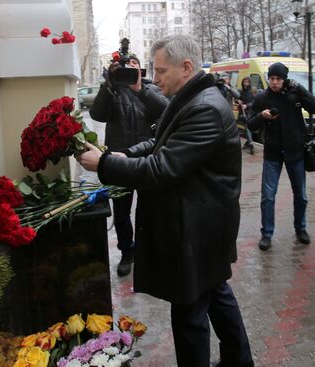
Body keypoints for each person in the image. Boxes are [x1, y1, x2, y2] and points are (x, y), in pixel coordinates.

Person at [76, 34, 253, 367]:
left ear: (185, 67)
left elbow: (162, 168)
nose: (154, 79)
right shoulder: (192, 98)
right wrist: (123, 153)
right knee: (216, 295)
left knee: (189, 315)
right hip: (201, 222)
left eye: (160, 71)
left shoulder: (204, 108)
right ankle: (239, 360)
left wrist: (105, 165)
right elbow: (159, 142)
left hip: (197, 229)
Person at [90, 41, 169, 277]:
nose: (130, 68)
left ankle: (150, 251)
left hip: (146, 159)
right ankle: (127, 252)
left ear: (141, 69)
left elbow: (165, 111)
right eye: (125, 66)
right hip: (118, 161)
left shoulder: (150, 89)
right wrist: (109, 84)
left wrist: (138, 88)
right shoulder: (112, 91)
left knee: (150, 209)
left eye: (134, 64)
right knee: (122, 212)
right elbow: (96, 114)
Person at [247, 62, 315, 251]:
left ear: (284, 79)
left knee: (302, 196)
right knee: (268, 197)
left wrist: (300, 88)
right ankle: (267, 234)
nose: (274, 82)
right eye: (271, 78)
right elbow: (250, 124)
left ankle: (301, 228)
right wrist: (262, 116)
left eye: (278, 79)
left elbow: (314, 107)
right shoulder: (263, 97)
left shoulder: (294, 94)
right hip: (272, 154)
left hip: (295, 153)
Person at [238, 77, 255, 154]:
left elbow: (254, 102)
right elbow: (238, 98)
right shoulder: (241, 91)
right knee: (246, 128)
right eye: (244, 81)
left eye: (247, 81)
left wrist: (246, 106)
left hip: (249, 112)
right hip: (242, 112)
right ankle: (248, 143)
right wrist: (239, 101)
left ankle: (250, 143)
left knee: (247, 128)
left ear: (249, 82)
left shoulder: (251, 91)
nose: (246, 82)